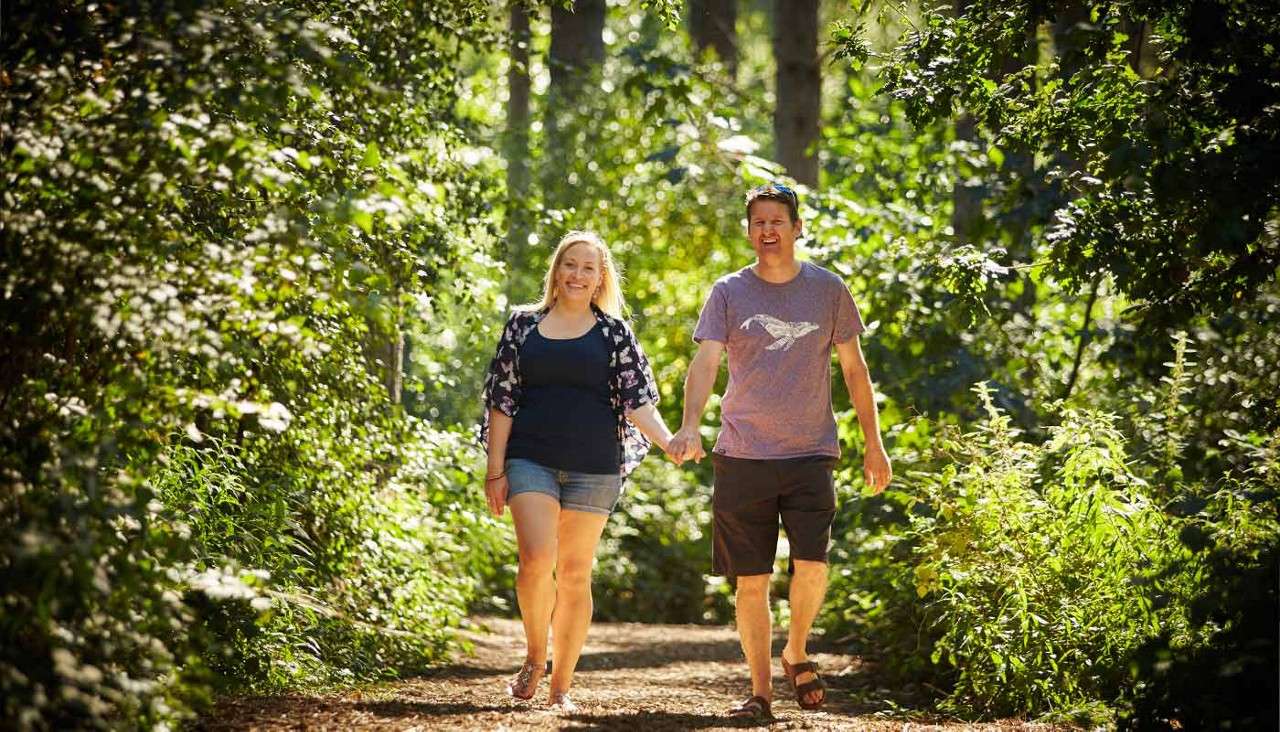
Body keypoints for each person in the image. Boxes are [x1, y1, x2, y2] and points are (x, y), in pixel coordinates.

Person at [667, 183, 892, 720]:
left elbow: (855, 370)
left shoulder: (828, 290)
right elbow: (705, 364)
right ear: (749, 232)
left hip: (811, 451)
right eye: (758, 222)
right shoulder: (728, 291)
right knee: (752, 579)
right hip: (743, 453)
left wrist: (874, 446)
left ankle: (796, 649)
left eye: (777, 221)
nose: (768, 230)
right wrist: (689, 425)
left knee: (812, 566)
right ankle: (761, 693)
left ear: (797, 228)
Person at [480, 230, 677, 711]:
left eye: (589, 267)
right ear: (557, 270)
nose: (578, 274)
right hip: (530, 459)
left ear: (600, 278)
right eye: (571, 264)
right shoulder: (523, 326)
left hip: (595, 466)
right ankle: (534, 655)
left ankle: (561, 687)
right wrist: (495, 470)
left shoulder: (613, 332)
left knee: (573, 573)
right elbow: (501, 400)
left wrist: (671, 442)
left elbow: (638, 403)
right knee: (534, 559)